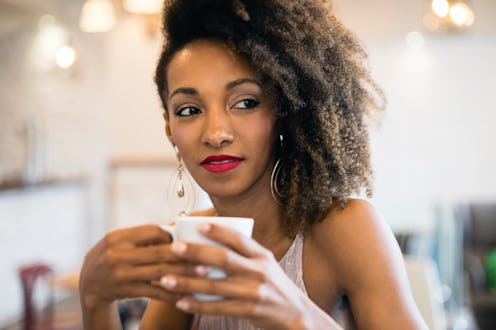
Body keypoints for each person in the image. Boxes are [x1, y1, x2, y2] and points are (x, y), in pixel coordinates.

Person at [79, 0, 428, 329]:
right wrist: (95, 300)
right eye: (189, 110)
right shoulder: (191, 247)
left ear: (283, 112)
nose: (215, 134)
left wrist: (298, 316)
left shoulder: (345, 229)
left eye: (245, 102)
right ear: (170, 129)